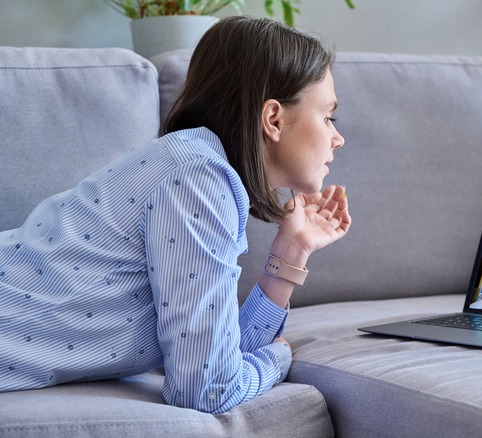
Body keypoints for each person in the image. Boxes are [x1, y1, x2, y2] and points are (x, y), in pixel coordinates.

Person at [0, 16, 350, 414]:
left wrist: (290, 253)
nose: (337, 137)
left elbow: (216, 358)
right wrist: (279, 359)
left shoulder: (196, 167)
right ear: (273, 119)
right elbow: (209, 390)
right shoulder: (198, 178)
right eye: (328, 116)